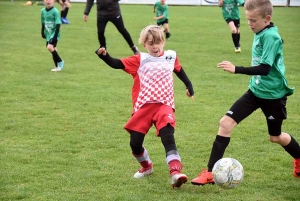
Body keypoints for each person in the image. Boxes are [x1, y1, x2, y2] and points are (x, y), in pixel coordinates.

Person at [191, 0, 300, 186]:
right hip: (255, 91)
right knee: (225, 123)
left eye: (253, 20)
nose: (249, 24)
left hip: (273, 96)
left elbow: (265, 68)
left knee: (275, 137)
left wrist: (237, 69)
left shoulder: (271, 36)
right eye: (247, 19)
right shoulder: (260, 31)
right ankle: (210, 172)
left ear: (267, 19)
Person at [95, 25, 194, 188]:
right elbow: (116, 64)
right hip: (144, 108)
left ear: (163, 41)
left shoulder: (171, 56)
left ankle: (175, 172)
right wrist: (105, 56)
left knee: (168, 136)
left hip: (164, 105)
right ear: (144, 44)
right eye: (150, 43)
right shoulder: (140, 60)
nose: (155, 46)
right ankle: (147, 166)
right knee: (135, 144)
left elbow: (179, 71)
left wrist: (189, 85)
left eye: (158, 42)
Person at [41, 0, 64, 72]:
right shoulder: (42, 11)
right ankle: (57, 67)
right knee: (54, 49)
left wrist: (55, 36)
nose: (48, 1)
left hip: (54, 33)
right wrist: (42, 32)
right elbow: (43, 22)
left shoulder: (55, 11)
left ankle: (60, 61)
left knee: (49, 47)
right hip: (48, 33)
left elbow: (58, 24)